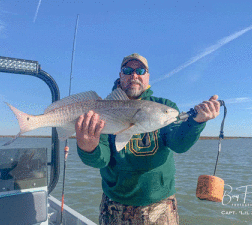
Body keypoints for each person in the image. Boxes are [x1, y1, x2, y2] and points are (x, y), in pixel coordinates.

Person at [76, 53, 220, 225]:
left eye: (140, 70)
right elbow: (101, 160)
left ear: (148, 76)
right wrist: (88, 148)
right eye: (128, 70)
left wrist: (196, 122)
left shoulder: (164, 106)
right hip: (114, 205)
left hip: (161, 206)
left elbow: (179, 144)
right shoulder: (103, 107)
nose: (134, 75)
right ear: (120, 75)